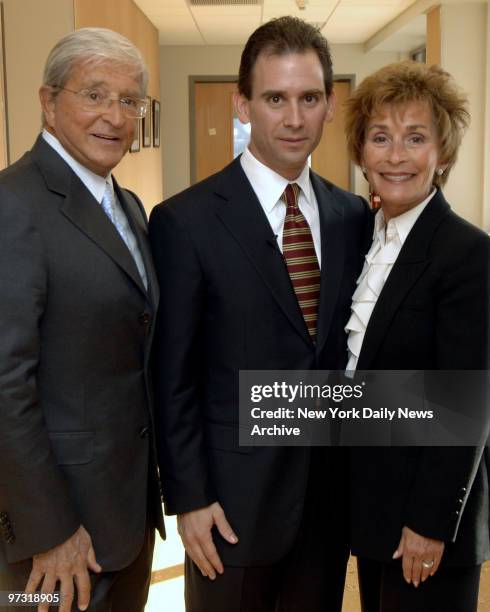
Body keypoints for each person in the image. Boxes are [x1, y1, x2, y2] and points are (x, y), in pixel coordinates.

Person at [150, 15, 369, 612]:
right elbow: (172, 378)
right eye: (275, 98)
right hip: (229, 511)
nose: (294, 118)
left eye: (309, 98)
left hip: (326, 512)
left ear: (329, 107)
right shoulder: (184, 222)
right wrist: (189, 499)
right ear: (242, 104)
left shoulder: (354, 217)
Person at [0, 28, 164, 612]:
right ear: (48, 101)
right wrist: (48, 532)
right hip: (57, 543)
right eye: (94, 95)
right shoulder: (13, 204)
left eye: (129, 101)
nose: (115, 116)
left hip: (125, 519)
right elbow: (4, 385)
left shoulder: (128, 205)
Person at [343, 61, 489, 612]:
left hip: (427, 519)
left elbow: (465, 404)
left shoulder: (467, 253)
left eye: (415, 138)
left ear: (443, 155)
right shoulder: (365, 236)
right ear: (361, 151)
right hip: (375, 499)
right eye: (380, 137)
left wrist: (428, 523)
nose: (395, 155)